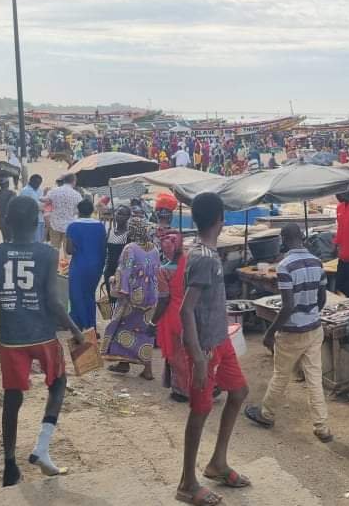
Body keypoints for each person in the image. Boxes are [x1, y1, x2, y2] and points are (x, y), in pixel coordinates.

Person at [0, 196, 88, 487]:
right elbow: (52, 300)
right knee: (58, 384)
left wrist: (2, 282)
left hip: (11, 338)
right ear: (37, 223)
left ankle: (10, 465)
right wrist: (75, 330)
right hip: (43, 335)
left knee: (13, 398)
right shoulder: (47, 253)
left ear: (7, 222)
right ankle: (42, 447)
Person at [175, 192, 250, 505]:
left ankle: (217, 462)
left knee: (239, 392)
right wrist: (198, 358)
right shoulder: (204, 258)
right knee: (201, 409)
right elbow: (185, 310)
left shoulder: (205, 252)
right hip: (205, 348)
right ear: (220, 220)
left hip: (220, 340)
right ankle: (187, 484)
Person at [244, 224, 332, 442]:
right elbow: (322, 298)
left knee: (281, 374)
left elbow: (287, 306)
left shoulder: (284, 266)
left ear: (283, 239)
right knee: (314, 379)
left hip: (291, 331)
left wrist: (270, 333)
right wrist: (310, 313)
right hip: (314, 328)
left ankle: (266, 414)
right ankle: (322, 427)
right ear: (302, 237)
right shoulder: (317, 262)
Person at [101, 217, 162, 381]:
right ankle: (142, 368)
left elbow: (124, 272)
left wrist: (116, 284)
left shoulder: (130, 248)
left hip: (133, 297)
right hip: (151, 297)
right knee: (144, 332)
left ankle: (124, 362)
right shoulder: (154, 249)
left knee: (120, 327)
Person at [155, 226, 190, 402]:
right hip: (191, 312)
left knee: (176, 354)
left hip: (172, 315)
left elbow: (163, 299)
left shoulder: (164, 270)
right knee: (191, 351)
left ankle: (182, 390)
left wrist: (153, 321)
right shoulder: (190, 262)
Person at [65, 198, 106, 332]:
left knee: (76, 294)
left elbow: (69, 250)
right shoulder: (100, 226)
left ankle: (80, 325)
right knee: (89, 295)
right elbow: (103, 247)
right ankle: (91, 326)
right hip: (96, 265)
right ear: (92, 211)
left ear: (78, 210)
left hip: (79, 264)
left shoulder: (72, 226)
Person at [44, 173, 82, 255]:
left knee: (53, 250)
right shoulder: (77, 195)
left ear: (64, 181)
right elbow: (79, 210)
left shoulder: (54, 191)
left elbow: (45, 200)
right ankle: (65, 266)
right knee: (67, 251)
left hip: (55, 224)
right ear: (74, 181)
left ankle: (53, 266)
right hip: (69, 226)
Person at [102, 205, 132, 301]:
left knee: (122, 302)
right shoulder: (110, 231)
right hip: (109, 270)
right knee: (111, 299)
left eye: (122, 214)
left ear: (128, 217)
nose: (119, 216)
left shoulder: (129, 235)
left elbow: (129, 257)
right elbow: (104, 250)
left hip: (122, 271)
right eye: (118, 213)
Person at [19, 174, 46, 243]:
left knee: (40, 241)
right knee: (35, 242)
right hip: (31, 221)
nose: (38, 185)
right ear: (30, 181)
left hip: (41, 219)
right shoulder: (25, 191)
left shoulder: (40, 190)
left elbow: (43, 202)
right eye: (36, 183)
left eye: (39, 183)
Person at [0, 178, 16, 242]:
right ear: (7, 184)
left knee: (5, 239)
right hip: (11, 219)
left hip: (1, 219)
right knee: (11, 239)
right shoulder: (12, 193)